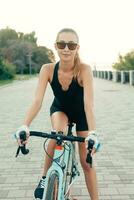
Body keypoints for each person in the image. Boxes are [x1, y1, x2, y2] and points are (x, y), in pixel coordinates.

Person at [15, 28, 100, 200]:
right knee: (57, 134)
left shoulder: (84, 70)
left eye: (71, 44)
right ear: (56, 46)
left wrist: (93, 134)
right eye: (62, 44)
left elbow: (88, 105)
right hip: (60, 110)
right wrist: (24, 126)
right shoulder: (47, 69)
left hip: (82, 114)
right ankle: (45, 179)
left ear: (77, 47)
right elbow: (37, 101)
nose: (66, 48)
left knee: (87, 163)